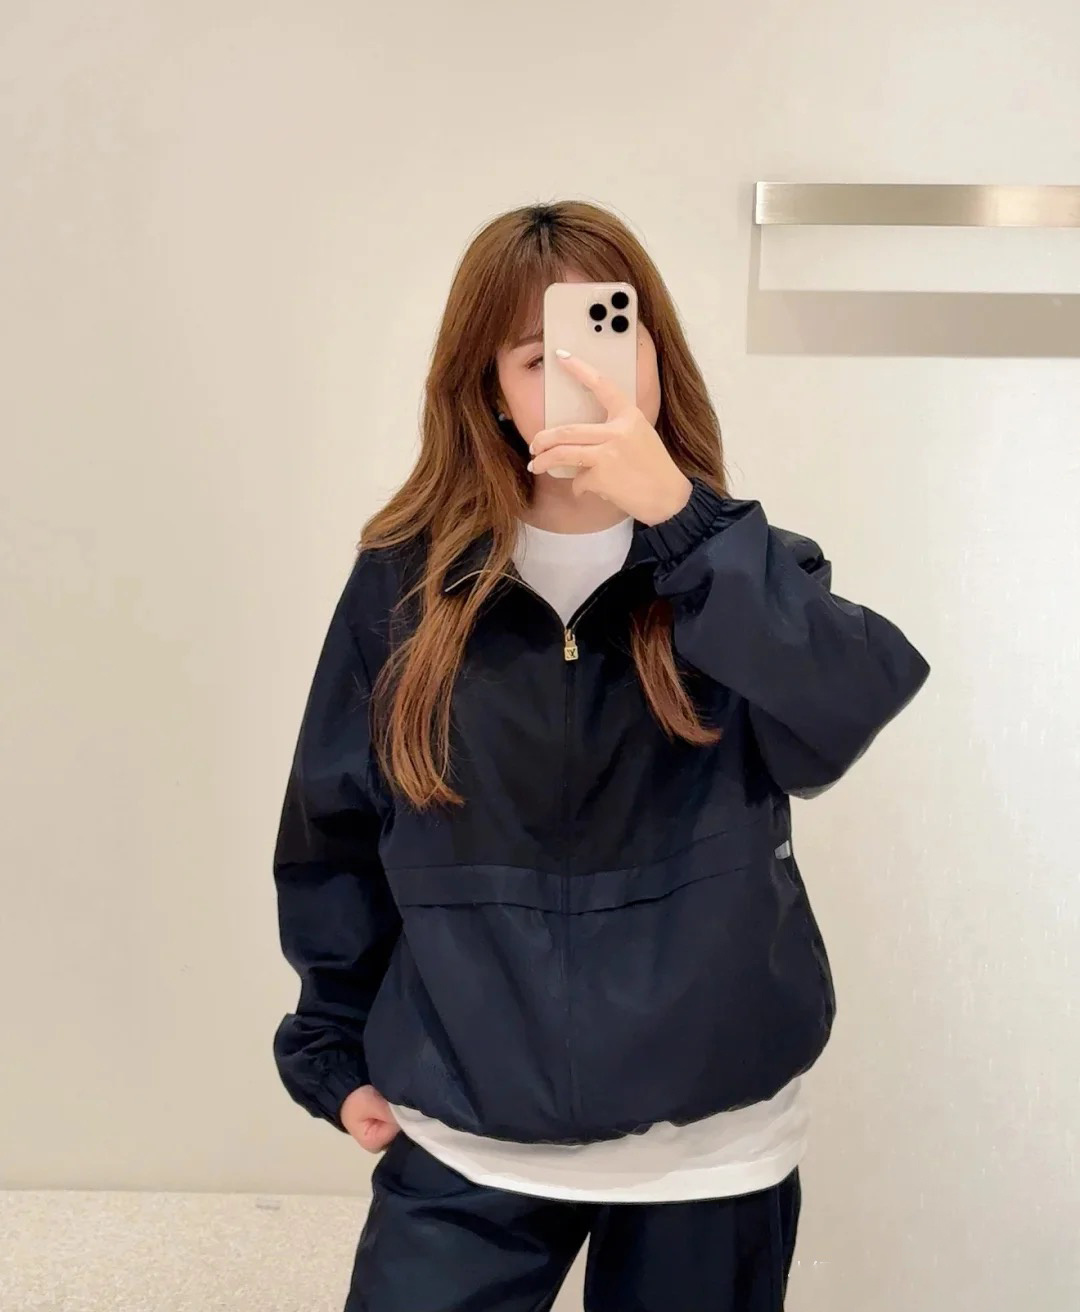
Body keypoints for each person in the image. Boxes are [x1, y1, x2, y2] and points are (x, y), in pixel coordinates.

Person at [272, 200, 931, 1312]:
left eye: (611, 341)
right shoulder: (404, 584)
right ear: (490, 386)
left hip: (712, 1152)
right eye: (540, 357)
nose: (582, 378)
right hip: (467, 1133)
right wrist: (331, 1048)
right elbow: (332, 827)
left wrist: (682, 520)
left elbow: (850, 708)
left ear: (658, 359)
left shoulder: (739, 571)